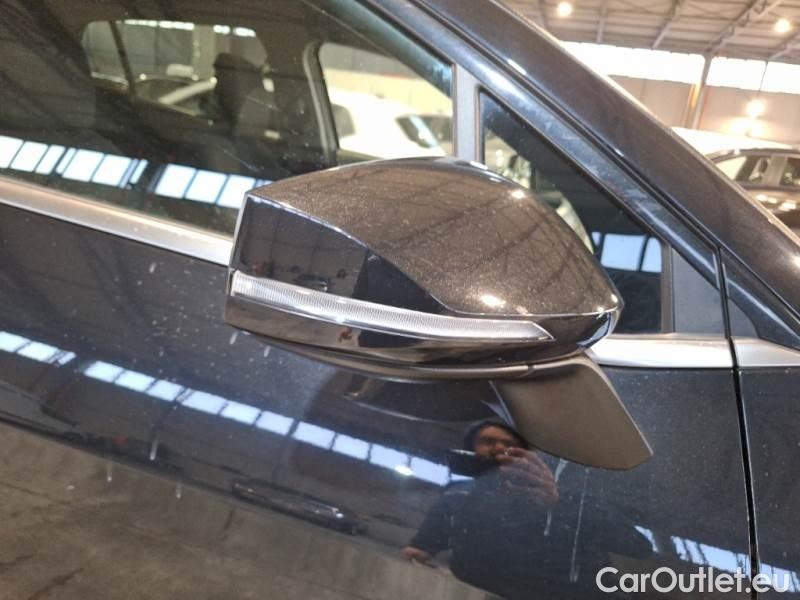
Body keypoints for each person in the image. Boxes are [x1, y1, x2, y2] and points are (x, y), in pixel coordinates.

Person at [402, 420, 566, 598]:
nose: (499, 448)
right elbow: (421, 548)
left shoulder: (541, 492)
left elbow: (566, 554)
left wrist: (553, 506)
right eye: (487, 441)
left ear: (525, 454)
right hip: (466, 591)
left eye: (510, 444)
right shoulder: (457, 494)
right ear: (471, 449)